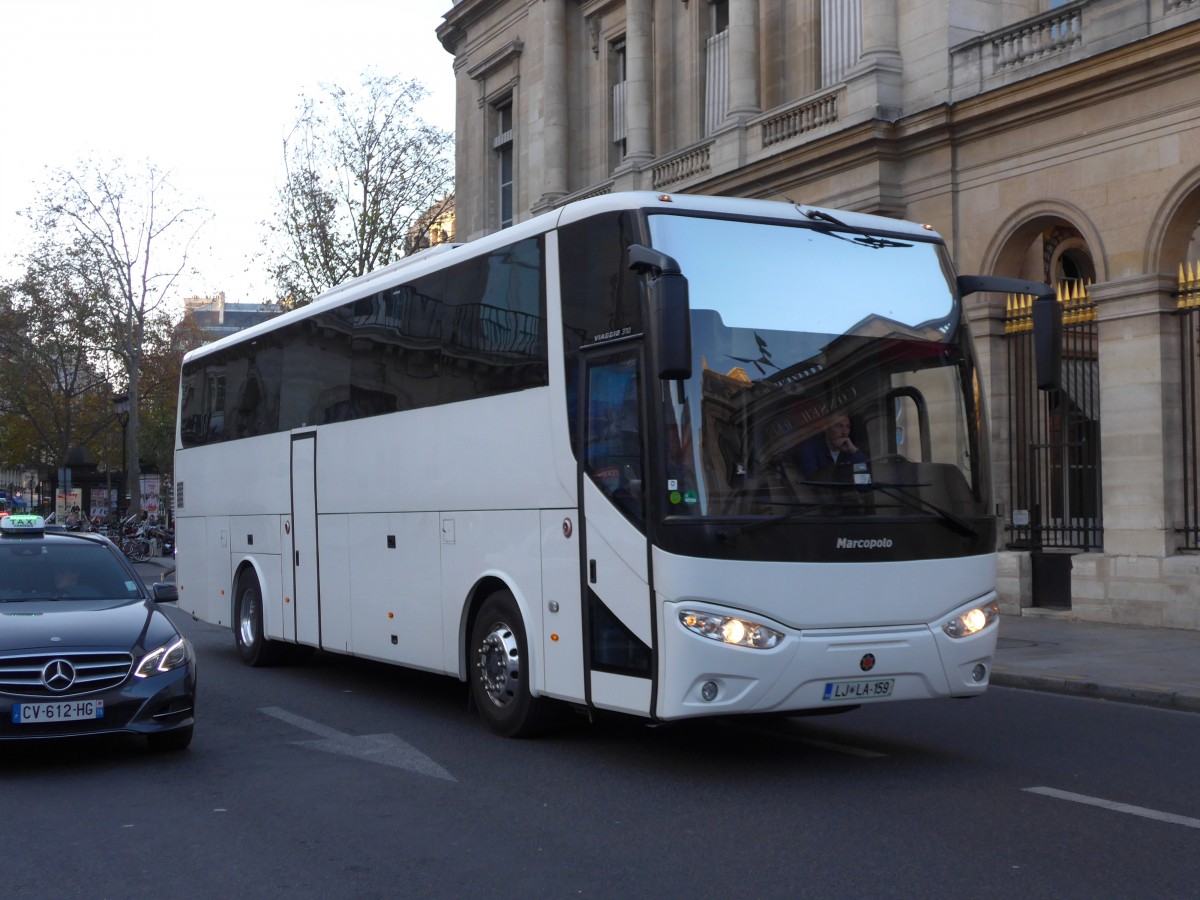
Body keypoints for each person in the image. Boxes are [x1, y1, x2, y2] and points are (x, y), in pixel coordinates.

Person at [796, 409, 868, 476]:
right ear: (825, 428)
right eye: (838, 426)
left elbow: (865, 476)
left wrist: (854, 451)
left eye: (847, 427)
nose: (844, 432)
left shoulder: (849, 450)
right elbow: (815, 479)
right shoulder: (811, 448)